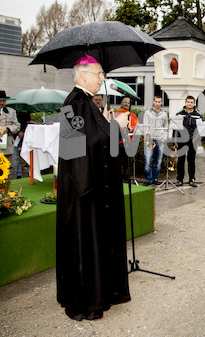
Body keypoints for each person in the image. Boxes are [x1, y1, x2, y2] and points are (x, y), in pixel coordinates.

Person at [56, 54, 131, 321]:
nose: (103, 78)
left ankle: (103, 291)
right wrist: (114, 126)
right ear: (83, 74)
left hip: (91, 187)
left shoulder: (84, 102)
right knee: (86, 244)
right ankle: (87, 298)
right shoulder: (75, 103)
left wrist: (106, 123)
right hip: (84, 191)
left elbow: (90, 139)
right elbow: (77, 149)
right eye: (99, 74)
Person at [174, 96, 201, 187]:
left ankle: (192, 179)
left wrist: (196, 138)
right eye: (188, 102)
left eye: (191, 102)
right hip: (181, 140)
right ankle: (180, 179)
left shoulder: (198, 115)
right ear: (185, 103)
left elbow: (200, 129)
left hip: (192, 141)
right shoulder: (179, 114)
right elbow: (175, 129)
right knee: (180, 161)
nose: (190, 104)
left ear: (194, 104)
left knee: (191, 161)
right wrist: (175, 142)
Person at [142, 96, 168, 186]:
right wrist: (147, 136)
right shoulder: (147, 113)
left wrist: (164, 137)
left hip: (160, 139)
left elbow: (166, 127)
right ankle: (148, 179)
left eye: (159, 102)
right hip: (150, 138)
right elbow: (145, 125)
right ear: (153, 102)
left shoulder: (164, 114)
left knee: (158, 161)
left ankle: (155, 178)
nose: (157, 103)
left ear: (161, 103)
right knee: (148, 160)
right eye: (156, 101)